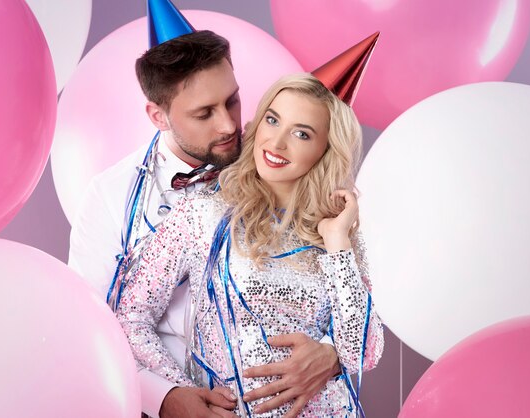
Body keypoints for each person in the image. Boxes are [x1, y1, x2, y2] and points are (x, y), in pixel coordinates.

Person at [69, 28, 342, 418]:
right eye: (204, 113)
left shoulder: (285, 161)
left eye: (232, 101)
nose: (230, 126)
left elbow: (346, 293)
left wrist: (331, 353)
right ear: (157, 116)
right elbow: (91, 323)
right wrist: (165, 397)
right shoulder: (111, 195)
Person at [116, 73, 384, 417]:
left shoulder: (337, 232)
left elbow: (366, 349)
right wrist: (180, 392)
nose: (278, 142)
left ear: (325, 149)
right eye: (273, 120)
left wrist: (337, 242)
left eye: (302, 133)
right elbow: (131, 315)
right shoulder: (204, 213)